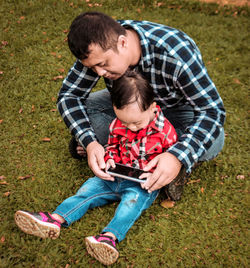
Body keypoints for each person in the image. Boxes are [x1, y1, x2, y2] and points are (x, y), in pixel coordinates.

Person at [15, 71, 177, 265]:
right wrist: (109, 159)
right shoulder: (118, 124)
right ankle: (55, 219)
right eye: (125, 122)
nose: (131, 127)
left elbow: (172, 160)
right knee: (87, 191)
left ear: (152, 108)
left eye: (136, 123)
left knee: (130, 206)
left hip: (142, 184)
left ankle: (108, 238)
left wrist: (163, 172)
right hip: (114, 175)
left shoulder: (165, 131)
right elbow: (113, 145)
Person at [59, 11, 225, 200]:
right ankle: (115, 150)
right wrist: (89, 142)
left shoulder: (176, 52)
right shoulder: (97, 45)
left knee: (215, 139)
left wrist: (177, 156)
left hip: (177, 111)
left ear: (122, 43)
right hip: (128, 113)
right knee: (87, 111)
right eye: (92, 68)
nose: (99, 72)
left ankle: (166, 162)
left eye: (103, 64)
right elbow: (69, 96)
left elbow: (212, 110)